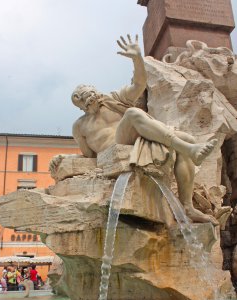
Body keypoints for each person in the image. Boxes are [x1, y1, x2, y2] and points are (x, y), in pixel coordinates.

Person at [70, 34, 218, 225]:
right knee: (132, 113)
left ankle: (188, 207)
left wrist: (137, 58)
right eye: (82, 99)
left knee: (188, 139)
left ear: (96, 91)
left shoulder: (113, 99)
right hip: (114, 151)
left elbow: (139, 85)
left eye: (89, 94)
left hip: (134, 140)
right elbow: (88, 157)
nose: (88, 99)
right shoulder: (80, 126)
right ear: (80, 106)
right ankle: (189, 149)